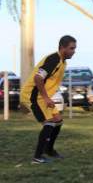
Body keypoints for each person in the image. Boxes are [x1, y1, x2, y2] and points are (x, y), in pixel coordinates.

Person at [20, 35, 76, 164]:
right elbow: (38, 78)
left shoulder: (63, 61)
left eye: (74, 48)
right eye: (71, 48)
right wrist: (46, 97)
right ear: (62, 48)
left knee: (58, 121)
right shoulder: (54, 59)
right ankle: (37, 157)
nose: (74, 51)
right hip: (32, 96)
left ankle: (49, 150)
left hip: (42, 96)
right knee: (49, 123)